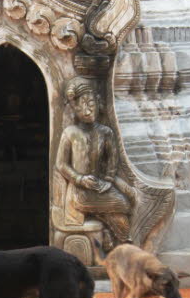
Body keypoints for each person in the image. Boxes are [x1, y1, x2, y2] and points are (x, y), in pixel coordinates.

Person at [55, 76, 137, 246]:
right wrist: (80, 179)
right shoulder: (70, 133)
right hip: (80, 191)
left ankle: (117, 243)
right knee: (122, 206)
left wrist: (107, 180)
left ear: (98, 102)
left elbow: (112, 162)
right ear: (73, 108)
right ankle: (121, 244)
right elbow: (61, 164)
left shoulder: (106, 132)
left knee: (125, 206)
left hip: (101, 186)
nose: (87, 111)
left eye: (90, 105)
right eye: (80, 107)